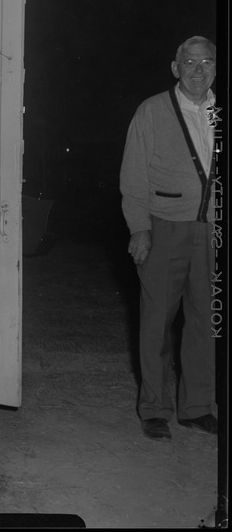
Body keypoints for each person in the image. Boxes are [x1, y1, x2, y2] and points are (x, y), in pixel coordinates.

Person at [120, 35, 219, 441]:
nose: (199, 70)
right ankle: (155, 409)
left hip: (212, 232)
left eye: (207, 63)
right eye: (190, 63)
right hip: (164, 228)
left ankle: (196, 407)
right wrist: (139, 228)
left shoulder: (219, 111)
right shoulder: (153, 111)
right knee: (158, 320)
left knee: (207, 321)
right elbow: (133, 176)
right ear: (176, 68)